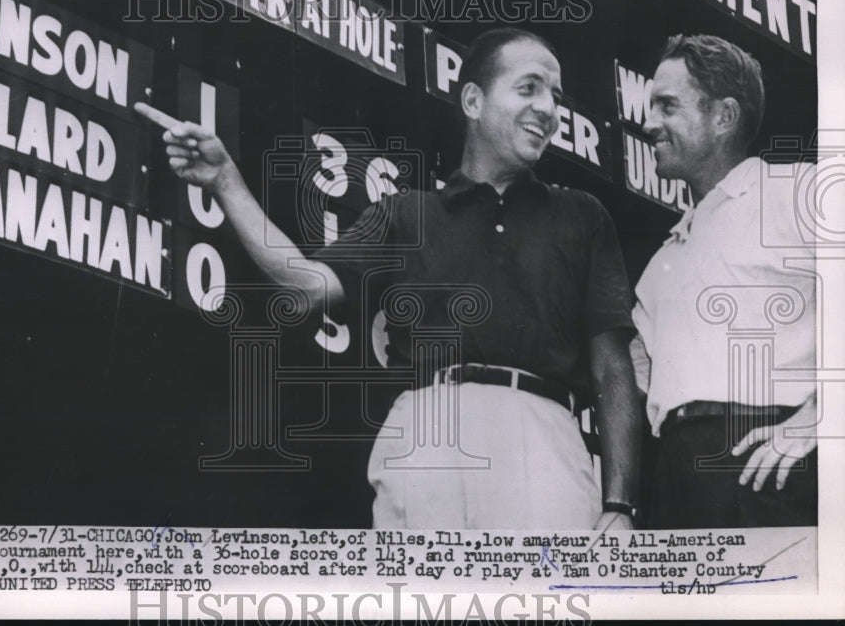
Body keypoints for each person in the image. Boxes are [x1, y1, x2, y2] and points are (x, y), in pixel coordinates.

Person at [137, 27, 641, 530]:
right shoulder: (406, 213)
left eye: (554, 96)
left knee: (547, 609)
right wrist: (227, 181)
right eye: (528, 88)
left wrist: (619, 505)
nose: (548, 109)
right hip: (426, 434)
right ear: (473, 100)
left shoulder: (582, 217)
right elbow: (307, 285)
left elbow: (613, 371)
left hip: (543, 437)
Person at [631, 34, 817, 529]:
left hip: (768, 468)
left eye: (667, 106)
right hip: (670, 480)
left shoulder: (798, 193)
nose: (649, 125)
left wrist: (823, 417)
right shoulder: (659, 264)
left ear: (724, 116)